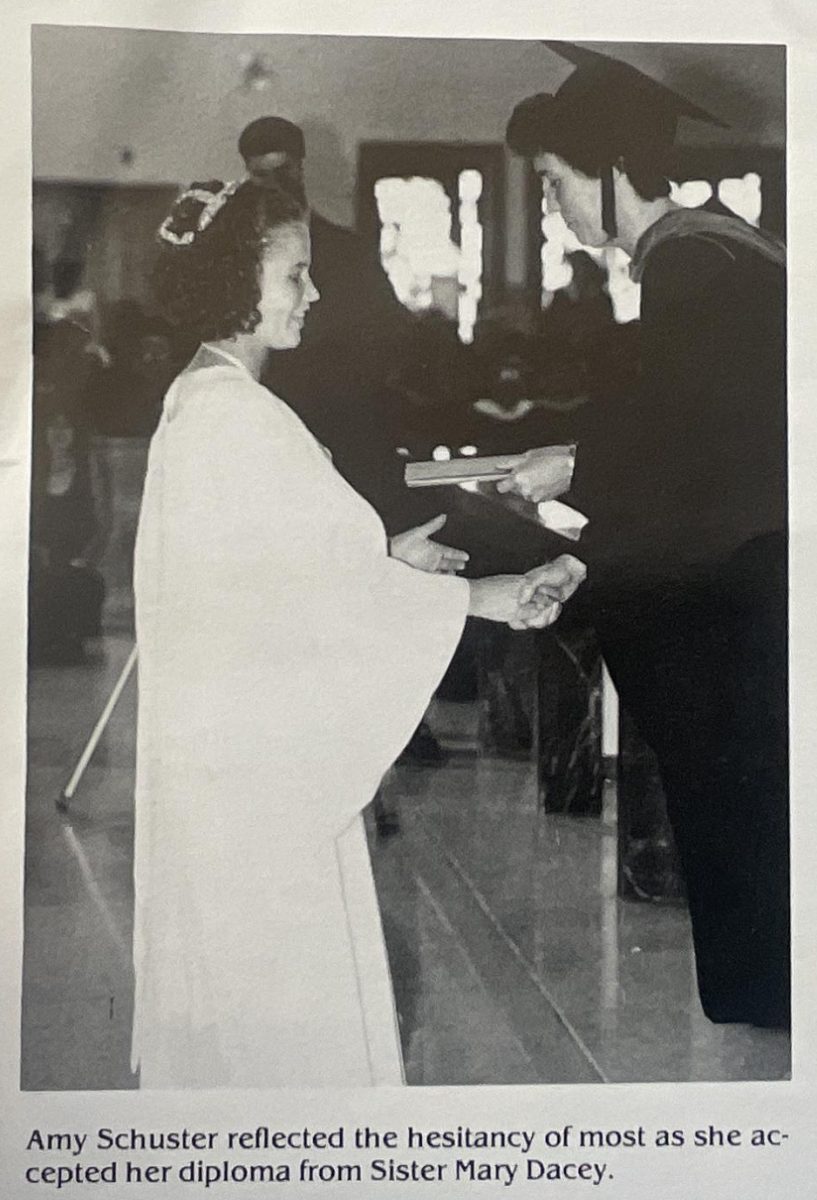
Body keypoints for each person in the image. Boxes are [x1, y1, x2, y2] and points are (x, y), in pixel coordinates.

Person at [132, 175, 586, 1087]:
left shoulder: (207, 400)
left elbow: (273, 574)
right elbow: (307, 595)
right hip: (254, 772)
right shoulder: (237, 420)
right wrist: (485, 596)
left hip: (233, 754)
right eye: (294, 274)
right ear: (235, 281)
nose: (312, 294)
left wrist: (383, 559)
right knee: (279, 1008)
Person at [500, 42, 788, 1027]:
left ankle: (769, 1005)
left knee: (733, 780)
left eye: (554, 185)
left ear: (614, 173)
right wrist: (577, 459)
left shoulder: (693, 270)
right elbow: (684, 417)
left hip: (746, 576)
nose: (551, 211)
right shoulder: (712, 254)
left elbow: (694, 455)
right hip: (753, 554)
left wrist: (581, 543)